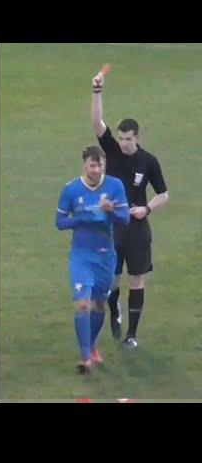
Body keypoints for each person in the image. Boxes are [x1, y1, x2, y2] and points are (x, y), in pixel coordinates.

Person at [91, 68, 169, 348]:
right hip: (112, 227)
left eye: (128, 139)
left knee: (136, 281)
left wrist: (146, 209)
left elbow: (164, 194)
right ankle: (115, 310)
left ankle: (132, 336)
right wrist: (97, 91)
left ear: (137, 137)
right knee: (110, 283)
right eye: (121, 138)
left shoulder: (149, 162)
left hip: (137, 228)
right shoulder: (110, 151)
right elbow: (97, 122)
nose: (123, 143)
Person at [56, 146, 130, 374]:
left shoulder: (115, 186)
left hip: (106, 257)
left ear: (104, 164)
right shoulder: (71, 190)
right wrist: (81, 218)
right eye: (92, 165)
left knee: (99, 304)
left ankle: (93, 346)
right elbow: (59, 222)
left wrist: (110, 212)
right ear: (84, 165)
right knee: (82, 304)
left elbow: (125, 219)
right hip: (81, 256)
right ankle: (85, 356)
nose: (96, 170)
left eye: (99, 165)